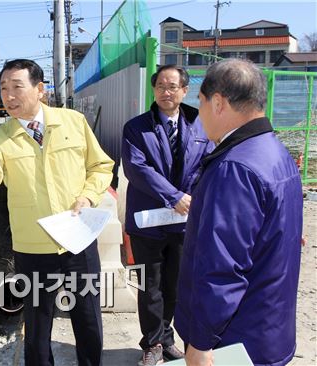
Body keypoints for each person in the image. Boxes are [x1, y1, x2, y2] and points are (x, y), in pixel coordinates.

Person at [0, 59, 114, 366]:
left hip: (78, 238)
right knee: (38, 323)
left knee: (87, 318)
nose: (8, 96)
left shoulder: (72, 122)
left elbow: (101, 166)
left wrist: (88, 196)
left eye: (17, 87)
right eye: (3, 88)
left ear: (40, 89)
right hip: (34, 245)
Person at [174, 59, 303, 366]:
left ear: (218, 102)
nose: (199, 113)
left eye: (201, 102)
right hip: (270, 328)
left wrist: (201, 342)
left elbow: (222, 267)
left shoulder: (234, 167)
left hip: (236, 342)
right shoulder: (274, 151)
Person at [121, 64, 213, 366]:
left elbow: (206, 164)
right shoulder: (136, 127)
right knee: (150, 286)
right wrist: (174, 196)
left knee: (174, 285)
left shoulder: (200, 123)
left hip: (184, 222)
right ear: (153, 89)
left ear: (185, 90)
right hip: (148, 222)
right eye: (160, 85)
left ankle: (166, 337)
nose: (166, 91)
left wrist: (190, 198)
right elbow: (137, 169)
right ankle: (151, 344)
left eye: (172, 86)